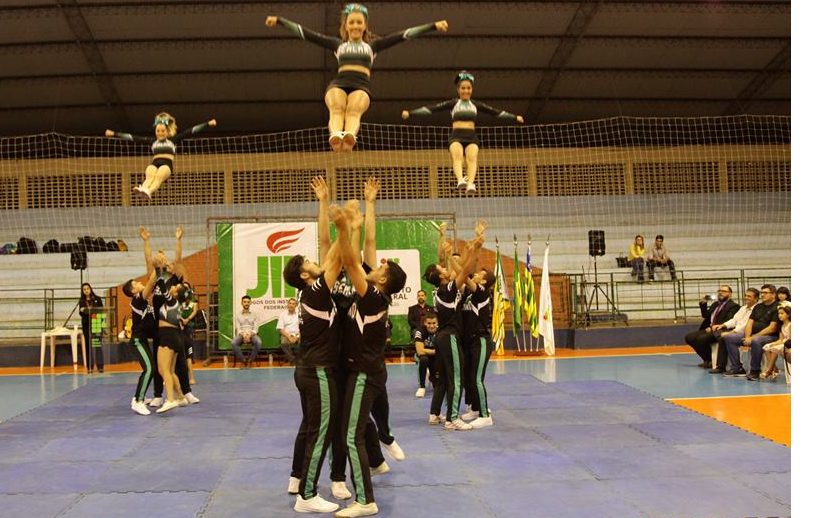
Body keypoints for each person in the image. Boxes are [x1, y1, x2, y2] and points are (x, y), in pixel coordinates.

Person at [265, 5, 447, 152]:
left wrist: (432, 26)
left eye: (359, 22)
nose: (355, 26)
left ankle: (350, 137)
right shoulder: (338, 45)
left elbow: (404, 35)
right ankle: (336, 136)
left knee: (353, 111)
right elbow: (306, 34)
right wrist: (281, 20)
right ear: (346, 26)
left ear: (365, 25)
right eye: (351, 22)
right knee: (337, 108)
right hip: (339, 83)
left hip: (361, 86)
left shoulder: (373, 46)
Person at [335, 200, 408, 518]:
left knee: (351, 434)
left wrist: (345, 226)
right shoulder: (376, 291)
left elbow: (351, 263)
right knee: (359, 425)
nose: (376, 263)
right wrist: (368, 205)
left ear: (382, 280)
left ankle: (365, 500)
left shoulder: (373, 297)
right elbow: (368, 246)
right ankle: (377, 463)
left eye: (382, 267)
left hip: (367, 374)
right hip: (365, 371)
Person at [282, 205, 348, 514]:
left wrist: (325, 207)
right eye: (309, 262)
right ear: (305, 275)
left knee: (312, 428)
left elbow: (328, 251)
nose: (315, 261)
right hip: (318, 371)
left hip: (307, 368)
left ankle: (301, 482)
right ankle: (306, 495)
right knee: (322, 431)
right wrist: (344, 225)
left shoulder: (309, 293)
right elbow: (334, 256)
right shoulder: (318, 291)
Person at [402, 71, 524, 193]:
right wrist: (411, 113)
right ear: (458, 89)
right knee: (458, 156)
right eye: (463, 88)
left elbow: (495, 112)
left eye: (468, 88)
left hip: (471, 136)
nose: (466, 91)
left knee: (472, 158)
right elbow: (432, 109)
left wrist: (514, 117)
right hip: (456, 136)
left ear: (472, 89)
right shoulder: (453, 103)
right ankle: (460, 179)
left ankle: (471, 183)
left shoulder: (475, 104)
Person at [423, 219, 486, 431]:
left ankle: (444, 414)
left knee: (449, 379)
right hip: (449, 336)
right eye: (443, 268)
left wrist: (469, 247)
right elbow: (465, 269)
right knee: (456, 378)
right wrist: (472, 247)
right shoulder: (447, 289)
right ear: (441, 275)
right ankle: (451, 418)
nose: (446, 267)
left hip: (447, 336)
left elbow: (463, 269)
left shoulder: (442, 289)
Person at [105, 113, 216, 198]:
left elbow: (191, 131)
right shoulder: (152, 141)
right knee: (150, 173)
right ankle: (143, 188)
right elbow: (132, 137)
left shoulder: (173, 140)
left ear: (167, 132)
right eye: (158, 131)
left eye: (162, 131)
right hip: (155, 162)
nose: (160, 133)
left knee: (158, 176)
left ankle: (149, 191)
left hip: (167, 165)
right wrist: (114, 134)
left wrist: (207, 124)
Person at [121, 259, 161, 415]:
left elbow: (151, 281)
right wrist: (158, 267)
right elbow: (151, 282)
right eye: (136, 283)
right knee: (149, 368)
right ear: (133, 291)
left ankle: (138, 397)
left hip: (142, 340)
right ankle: (138, 401)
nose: (140, 282)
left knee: (151, 368)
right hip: (137, 341)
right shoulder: (138, 300)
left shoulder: (142, 301)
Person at [460, 267, 495, 429]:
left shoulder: (483, 292)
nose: (475, 274)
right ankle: (474, 408)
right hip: (469, 342)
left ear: (484, 281)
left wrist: (460, 263)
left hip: (481, 340)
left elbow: (465, 276)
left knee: (477, 379)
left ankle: (485, 415)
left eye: (479, 274)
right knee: (468, 378)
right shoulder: (469, 295)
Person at [723, 284, 781, 381]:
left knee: (756, 341)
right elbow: (749, 323)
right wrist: (747, 336)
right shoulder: (758, 307)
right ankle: (737, 368)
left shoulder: (777, 307)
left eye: (765, 293)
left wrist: (753, 337)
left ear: (773, 295)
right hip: (752, 335)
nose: (762, 295)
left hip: (770, 336)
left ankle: (755, 371)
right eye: (762, 292)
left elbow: (772, 328)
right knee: (730, 338)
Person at [683, 285, 739, 369]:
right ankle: (708, 359)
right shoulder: (715, 304)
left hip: (721, 330)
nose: (720, 293)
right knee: (689, 337)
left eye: (723, 291)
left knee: (701, 339)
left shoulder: (733, 306)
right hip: (709, 329)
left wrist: (714, 327)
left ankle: (712, 361)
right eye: (719, 291)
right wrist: (703, 304)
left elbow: (729, 320)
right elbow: (706, 315)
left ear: (730, 294)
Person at [708, 288, 759, 374]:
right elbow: (734, 320)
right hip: (738, 331)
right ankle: (721, 366)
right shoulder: (743, 308)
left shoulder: (757, 309)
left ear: (756, 298)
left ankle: (737, 367)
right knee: (721, 338)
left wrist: (731, 332)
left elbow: (745, 325)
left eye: (749, 296)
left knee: (727, 337)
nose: (746, 298)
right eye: (745, 296)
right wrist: (723, 325)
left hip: (748, 332)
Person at [78, 282, 104, 373]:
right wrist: (82, 310)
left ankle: (100, 366)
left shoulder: (97, 299)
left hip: (96, 323)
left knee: (97, 344)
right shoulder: (81, 301)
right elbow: (81, 313)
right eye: (84, 289)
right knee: (88, 345)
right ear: (82, 291)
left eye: (87, 289)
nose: (86, 291)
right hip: (86, 325)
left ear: (90, 289)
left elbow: (102, 311)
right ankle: (90, 367)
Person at [231, 295, 262, 368]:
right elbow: (238, 328)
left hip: (252, 335)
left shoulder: (255, 314)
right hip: (241, 335)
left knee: (259, 342)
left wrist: (249, 335)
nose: (246, 303)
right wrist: (244, 336)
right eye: (244, 302)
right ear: (241, 303)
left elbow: (256, 328)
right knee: (234, 343)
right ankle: (243, 361)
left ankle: (250, 361)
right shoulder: (237, 315)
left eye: (248, 302)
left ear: (250, 303)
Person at [761, 305, 791, 379]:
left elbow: (789, 339)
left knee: (775, 349)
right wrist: (773, 343)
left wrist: (776, 344)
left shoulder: (790, 325)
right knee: (767, 347)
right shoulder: (781, 326)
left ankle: (769, 369)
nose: (779, 315)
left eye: (782, 313)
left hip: (789, 344)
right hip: (784, 342)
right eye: (779, 314)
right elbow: (781, 339)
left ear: (788, 315)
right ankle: (773, 367)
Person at [414, 313, 437, 398]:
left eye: (434, 323)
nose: (431, 326)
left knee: (436, 385)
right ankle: (422, 387)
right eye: (429, 323)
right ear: (425, 323)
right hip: (422, 356)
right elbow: (420, 351)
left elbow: (443, 351)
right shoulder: (419, 331)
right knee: (424, 360)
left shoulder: (441, 331)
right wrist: (435, 351)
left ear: (437, 323)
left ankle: (432, 377)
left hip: (435, 357)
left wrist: (427, 350)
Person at [179, 281, 198, 385]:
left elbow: (195, 311)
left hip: (188, 327)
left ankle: (191, 377)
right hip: (179, 327)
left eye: (186, 288)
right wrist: (181, 319)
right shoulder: (178, 300)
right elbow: (176, 311)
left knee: (189, 355)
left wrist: (187, 319)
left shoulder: (193, 300)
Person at [277, 297, 300, 364]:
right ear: (287, 304)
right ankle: (292, 359)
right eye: (290, 303)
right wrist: (289, 337)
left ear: (296, 305)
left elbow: (303, 328)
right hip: (286, 334)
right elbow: (280, 328)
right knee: (283, 343)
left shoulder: (300, 314)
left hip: (298, 334)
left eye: (293, 304)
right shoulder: (282, 314)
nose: (291, 305)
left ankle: (299, 358)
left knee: (304, 342)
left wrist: (297, 337)